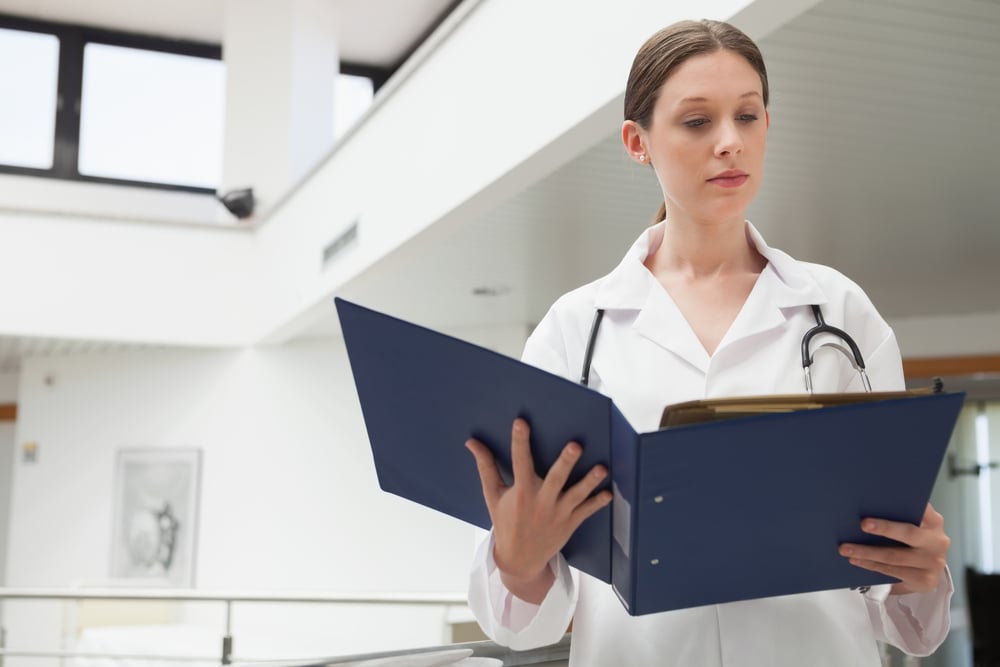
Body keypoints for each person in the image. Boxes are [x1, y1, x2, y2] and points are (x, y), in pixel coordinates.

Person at [463, 19, 953, 667]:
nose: (730, 142)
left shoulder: (840, 314)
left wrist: (919, 570)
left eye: (747, 116)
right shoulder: (574, 330)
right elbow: (524, 625)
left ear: (768, 127)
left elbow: (911, 625)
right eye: (697, 122)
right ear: (638, 143)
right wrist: (516, 560)